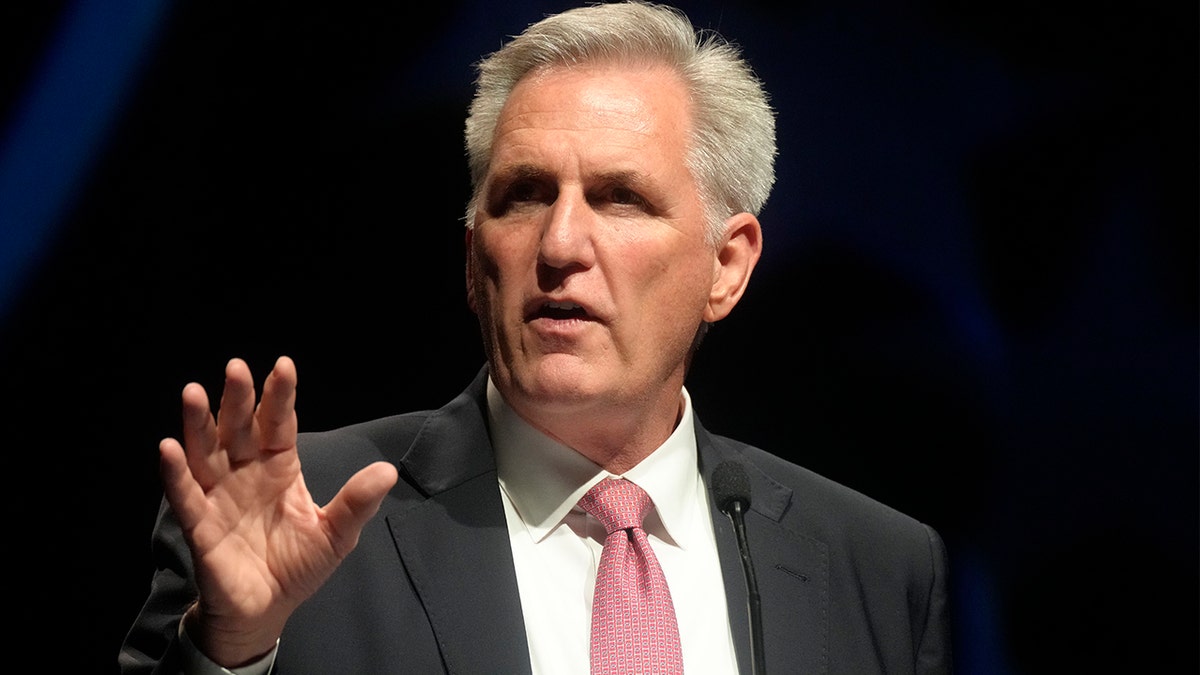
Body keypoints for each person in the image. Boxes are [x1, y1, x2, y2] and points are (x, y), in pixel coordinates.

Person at [120, 2, 952, 673]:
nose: (558, 246)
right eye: (522, 195)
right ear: (474, 257)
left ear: (726, 266)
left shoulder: (875, 566)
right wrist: (227, 652)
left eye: (620, 197)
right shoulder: (304, 517)